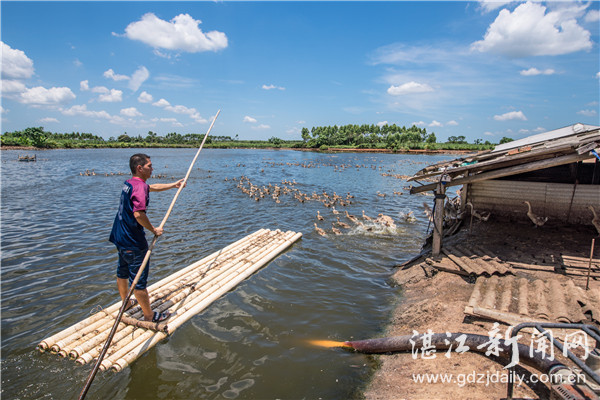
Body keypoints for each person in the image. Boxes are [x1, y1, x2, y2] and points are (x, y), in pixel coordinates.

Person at [109, 153, 185, 322]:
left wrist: (175, 185)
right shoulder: (139, 188)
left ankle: (126, 303)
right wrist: (153, 230)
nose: (152, 168)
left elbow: (152, 187)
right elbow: (138, 214)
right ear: (140, 168)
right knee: (138, 280)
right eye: (150, 166)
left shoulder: (130, 183)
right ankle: (149, 315)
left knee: (122, 272)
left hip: (119, 236)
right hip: (133, 240)